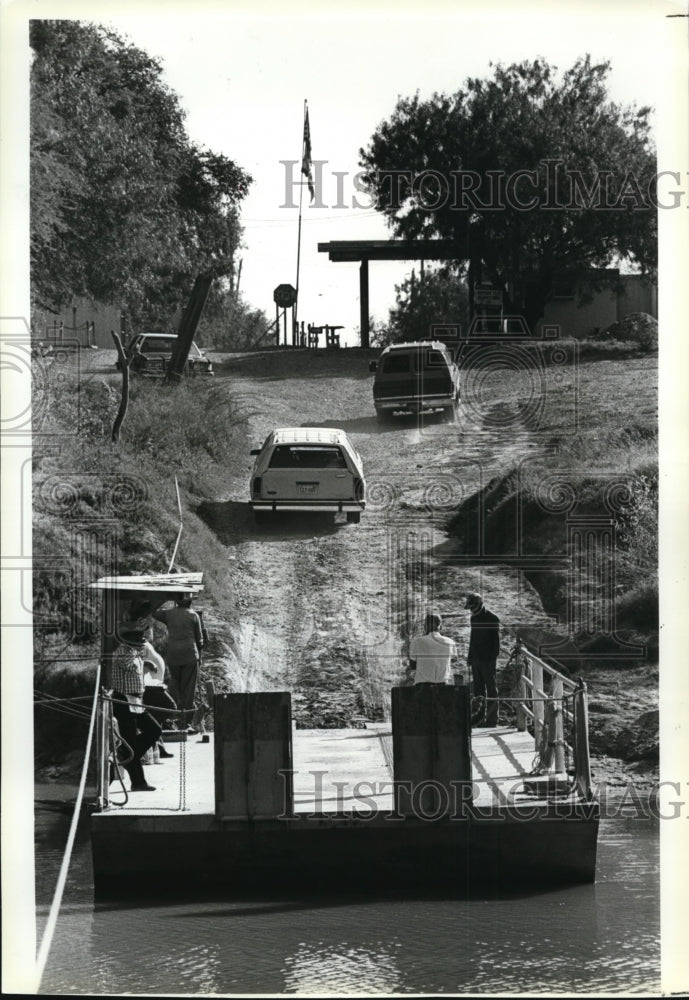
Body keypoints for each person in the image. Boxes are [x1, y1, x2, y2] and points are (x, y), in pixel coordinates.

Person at [110, 627, 162, 791]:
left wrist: (143, 660)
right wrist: (141, 657)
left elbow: (136, 665)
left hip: (135, 700)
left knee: (154, 730)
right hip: (124, 701)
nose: (142, 646)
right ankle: (138, 781)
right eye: (138, 643)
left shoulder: (133, 652)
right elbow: (128, 665)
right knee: (131, 739)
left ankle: (127, 755)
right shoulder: (124, 652)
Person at [153, 593, 203, 731]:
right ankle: (185, 721)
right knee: (189, 689)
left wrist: (163, 598)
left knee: (176, 687)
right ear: (189, 602)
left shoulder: (169, 614)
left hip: (173, 655)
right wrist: (200, 657)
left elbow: (154, 613)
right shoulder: (193, 615)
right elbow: (200, 640)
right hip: (190, 655)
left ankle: (175, 717)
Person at [465, 593, 501, 727]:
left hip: (487, 660)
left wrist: (492, 661)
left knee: (491, 689)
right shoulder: (473, 618)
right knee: (478, 689)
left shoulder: (492, 618)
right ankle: (479, 717)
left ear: (479, 604)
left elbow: (496, 643)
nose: (471, 610)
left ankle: (492, 719)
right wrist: (470, 656)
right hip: (475, 659)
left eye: (472, 607)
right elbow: (473, 638)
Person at [142, 643, 177, 759]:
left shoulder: (143, 645)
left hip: (153, 685)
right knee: (168, 709)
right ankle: (155, 748)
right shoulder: (140, 647)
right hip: (148, 687)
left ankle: (157, 747)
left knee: (158, 717)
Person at [408, 613, 458, 685]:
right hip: (443, 685)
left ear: (425, 626)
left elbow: (412, 666)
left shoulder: (417, 641)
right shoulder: (450, 642)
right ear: (440, 626)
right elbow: (454, 660)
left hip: (423, 687)